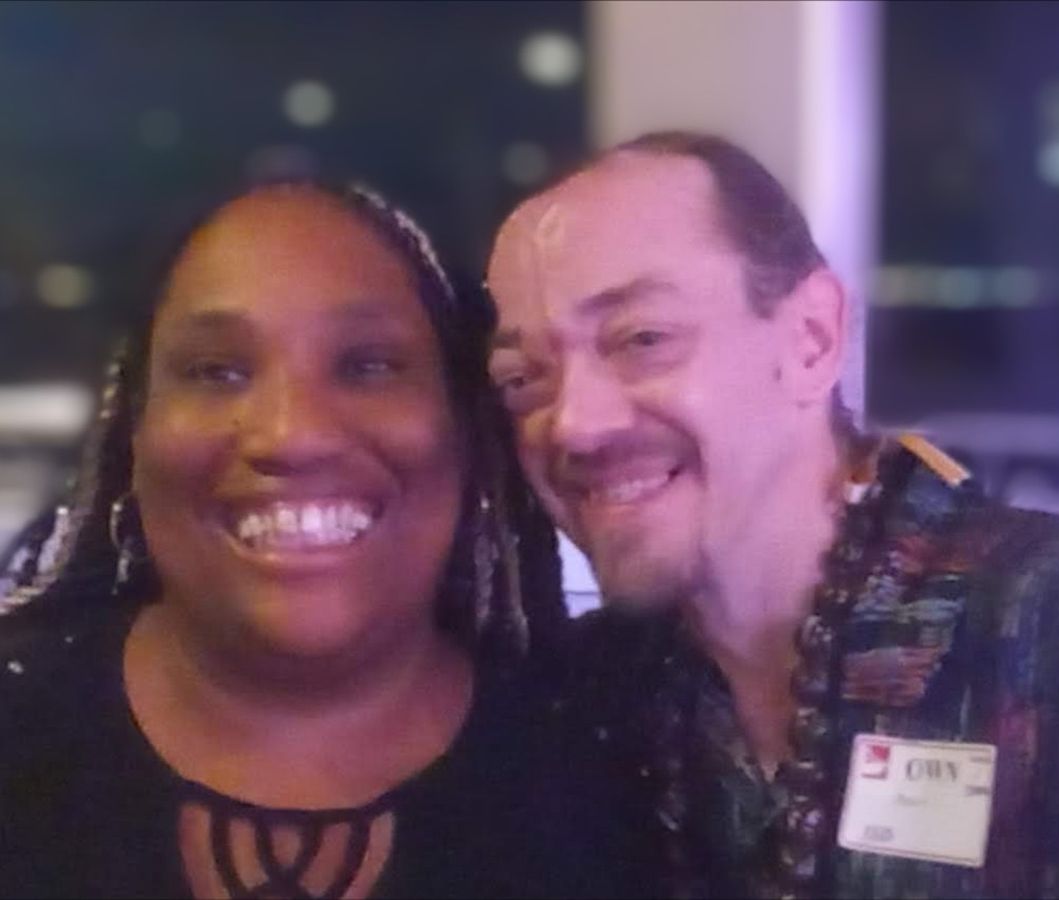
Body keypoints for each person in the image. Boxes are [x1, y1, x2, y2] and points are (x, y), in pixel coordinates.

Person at [485, 130, 1059, 898]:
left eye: (642, 339)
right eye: (524, 378)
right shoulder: (586, 703)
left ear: (812, 339)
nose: (574, 424)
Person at [0, 178, 647, 898]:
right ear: (136, 431)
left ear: (464, 428)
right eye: (217, 372)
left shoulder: (622, 783)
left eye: (367, 366)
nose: (293, 435)